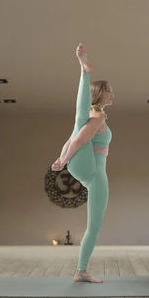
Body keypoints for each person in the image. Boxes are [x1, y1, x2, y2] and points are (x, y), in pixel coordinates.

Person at [51, 43, 114, 283]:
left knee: (79, 117)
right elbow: (77, 139)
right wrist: (65, 158)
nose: (113, 94)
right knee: (94, 224)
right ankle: (81, 270)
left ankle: (84, 71)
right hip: (93, 169)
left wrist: (61, 158)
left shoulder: (92, 114)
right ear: (101, 93)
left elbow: (73, 135)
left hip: (81, 164)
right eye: (110, 91)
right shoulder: (97, 116)